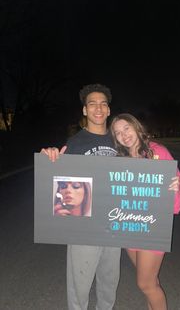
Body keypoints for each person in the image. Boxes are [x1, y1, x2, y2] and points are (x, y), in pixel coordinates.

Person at [41, 84, 121, 310]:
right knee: (80, 286)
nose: (98, 108)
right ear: (85, 111)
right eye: (92, 104)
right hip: (83, 227)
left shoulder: (120, 142)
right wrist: (51, 160)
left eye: (103, 104)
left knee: (109, 283)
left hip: (113, 225)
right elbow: (59, 185)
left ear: (108, 110)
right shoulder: (75, 143)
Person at [110, 113, 180, 310]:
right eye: (118, 133)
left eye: (126, 128)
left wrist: (174, 188)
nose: (123, 134)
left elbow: (177, 201)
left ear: (136, 127)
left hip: (152, 227)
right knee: (149, 283)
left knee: (145, 283)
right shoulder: (119, 160)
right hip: (130, 227)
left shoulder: (157, 152)